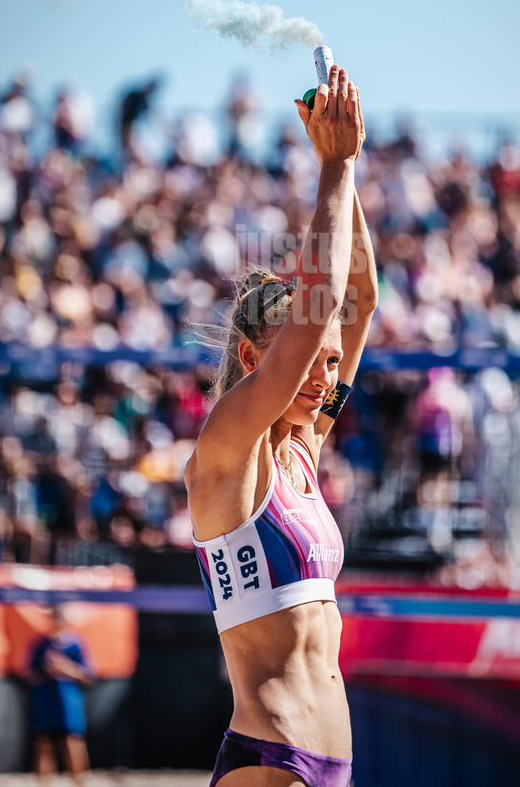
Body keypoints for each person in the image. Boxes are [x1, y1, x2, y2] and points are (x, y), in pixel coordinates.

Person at [185, 64, 377, 787]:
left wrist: (347, 164)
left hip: (323, 763)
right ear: (250, 356)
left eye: (331, 363)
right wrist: (332, 166)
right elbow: (323, 296)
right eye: (309, 360)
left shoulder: (303, 444)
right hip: (273, 760)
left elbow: (356, 294)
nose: (327, 377)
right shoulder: (229, 453)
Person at [27, 604, 95, 784]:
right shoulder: (41, 644)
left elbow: (88, 675)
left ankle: (79, 781)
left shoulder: (76, 643)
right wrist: (47, 670)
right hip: (47, 700)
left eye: (60, 616)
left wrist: (66, 668)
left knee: (72, 743)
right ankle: (44, 782)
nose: (56, 620)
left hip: (68, 702)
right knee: (44, 744)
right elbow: (30, 674)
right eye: (54, 616)